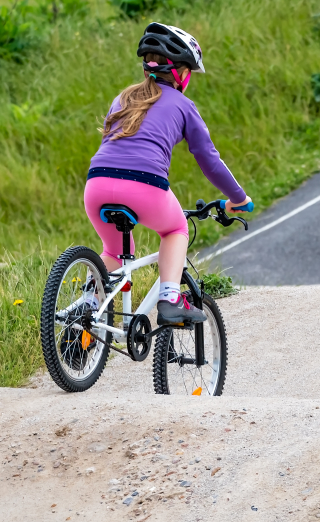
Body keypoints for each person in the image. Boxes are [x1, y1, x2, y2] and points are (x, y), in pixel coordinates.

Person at [84, 22, 252, 325]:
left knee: (114, 249)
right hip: (144, 187)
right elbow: (209, 160)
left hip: (96, 183)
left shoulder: (122, 98)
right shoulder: (184, 105)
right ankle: (171, 296)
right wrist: (238, 198)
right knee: (175, 231)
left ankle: (85, 309)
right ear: (181, 73)